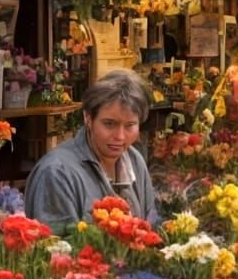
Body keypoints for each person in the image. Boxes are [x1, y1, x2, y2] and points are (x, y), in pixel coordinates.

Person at [23, 69, 160, 233]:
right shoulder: (57, 172)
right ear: (88, 118)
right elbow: (55, 244)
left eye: (130, 125)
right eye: (109, 124)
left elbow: (150, 227)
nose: (120, 136)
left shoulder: (134, 160)